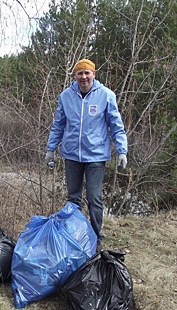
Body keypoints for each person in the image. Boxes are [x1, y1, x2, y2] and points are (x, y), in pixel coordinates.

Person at [45, 58, 128, 253]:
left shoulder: (106, 96)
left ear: (94, 74)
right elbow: (58, 125)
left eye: (87, 73)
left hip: (96, 156)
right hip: (72, 155)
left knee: (94, 198)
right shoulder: (66, 96)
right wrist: (50, 150)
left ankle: (96, 236)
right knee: (73, 199)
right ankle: (75, 236)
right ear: (75, 76)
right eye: (80, 73)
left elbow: (116, 126)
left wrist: (122, 151)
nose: (83, 77)